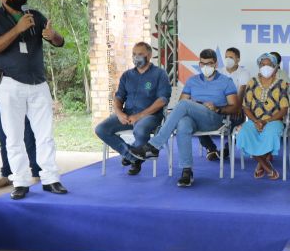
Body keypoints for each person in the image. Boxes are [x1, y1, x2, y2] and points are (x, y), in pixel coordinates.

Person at [0, 0, 67, 200]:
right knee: (14, 136)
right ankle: (20, 182)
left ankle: (50, 179)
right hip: (9, 83)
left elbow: (58, 41)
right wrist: (17, 29)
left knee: (45, 134)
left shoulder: (34, 15)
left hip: (38, 82)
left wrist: (52, 35)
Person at [129, 49, 238, 187]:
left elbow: (235, 107)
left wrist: (218, 108)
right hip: (194, 118)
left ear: (216, 64)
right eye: (203, 64)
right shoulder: (192, 81)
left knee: (185, 105)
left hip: (215, 119)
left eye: (209, 64)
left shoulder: (226, 81)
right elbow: (182, 103)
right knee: (183, 124)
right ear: (199, 64)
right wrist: (195, 105)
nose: (206, 67)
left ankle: (154, 146)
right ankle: (187, 171)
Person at [94, 42, 171, 175]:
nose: (136, 57)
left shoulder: (159, 74)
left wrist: (140, 116)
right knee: (101, 129)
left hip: (150, 116)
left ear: (149, 55)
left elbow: (162, 100)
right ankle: (133, 157)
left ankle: (133, 158)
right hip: (127, 114)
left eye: (140, 54)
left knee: (140, 131)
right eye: (134, 54)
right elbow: (118, 97)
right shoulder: (127, 75)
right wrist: (119, 113)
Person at [236, 53, 290, 180]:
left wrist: (266, 121)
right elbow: (246, 107)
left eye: (269, 65)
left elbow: (284, 109)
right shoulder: (252, 82)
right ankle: (266, 166)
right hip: (254, 120)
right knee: (244, 133)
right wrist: (255, 121)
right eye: (262, 65)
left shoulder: (281, 83)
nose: (266, 67)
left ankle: (261, 164)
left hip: (274, 120)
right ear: (259, 67)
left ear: (275, 67)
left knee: (271, 134)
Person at [0, 62, 40, 189]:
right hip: (2, 105)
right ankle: (6, 174)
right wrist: (2, 99)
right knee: (5, 141)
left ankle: (37, 173)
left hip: (22, 106)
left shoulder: (23, 62)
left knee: (29, 139)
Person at [199, 46, 250, 161]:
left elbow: (241, 92)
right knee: (199, 119)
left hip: (235, 106)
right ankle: (210, 148)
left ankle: (228, 148)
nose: (228, 59)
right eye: (226, 57)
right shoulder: (218, 72)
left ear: (238, 59)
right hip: (217, 107)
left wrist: (236, 108)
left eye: (231, 57)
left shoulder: (244, 73)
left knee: (237, 121)